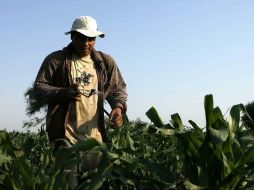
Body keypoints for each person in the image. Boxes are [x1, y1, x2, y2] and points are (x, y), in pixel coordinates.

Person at [33, 16, 127, 145]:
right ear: (72, 36)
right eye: (81, 38)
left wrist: (118, 107)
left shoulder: (105, 62)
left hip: (95, 140)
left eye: (91, 39)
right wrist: (62, 93)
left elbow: (118, 89)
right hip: (64, 139)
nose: (86, 43)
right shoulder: (56, 60)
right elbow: (39, 88)